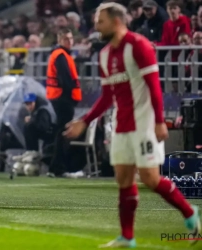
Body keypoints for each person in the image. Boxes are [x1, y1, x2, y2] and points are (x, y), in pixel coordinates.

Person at [64, 2, 201, 248]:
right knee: (124, 179)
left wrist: (159, 122)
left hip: (145, 121)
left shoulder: (139, 46)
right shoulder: (104, 55)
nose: (96, 26)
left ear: (117, 21)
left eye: (100, 21)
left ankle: (190, 213)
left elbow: (154, 86)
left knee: (149, 178)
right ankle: (127, 237)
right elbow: (107, 96)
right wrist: (85, 121)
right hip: (121, 124)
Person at [46, 27, 82, 177]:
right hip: (63, 98)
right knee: (64, 133)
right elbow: (66, 80)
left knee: (61, 132)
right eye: (66, 39)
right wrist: (72, 98)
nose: (69, 41)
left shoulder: (62, 54)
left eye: (71, 38)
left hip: (59, 97)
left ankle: (56, 167)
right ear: (60, 40)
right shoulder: (61, 55)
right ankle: (59, 168)